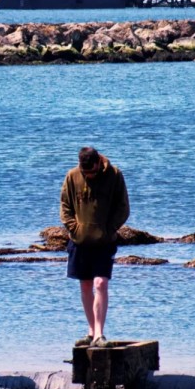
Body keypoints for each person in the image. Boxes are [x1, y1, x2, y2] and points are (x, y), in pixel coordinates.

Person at [60, 147, 130, 349]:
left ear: (98, 163)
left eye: (91, 172)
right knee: (85, 285)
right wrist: (75, 229)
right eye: (85, 173)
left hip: (104, 241)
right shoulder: (72, 176)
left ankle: (100, 333)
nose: (88, 176)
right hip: (79, 241)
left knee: (100, 284)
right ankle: (91, 333)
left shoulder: (114, 175)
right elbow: (65, 207)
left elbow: (123, 207)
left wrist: (109, 230)